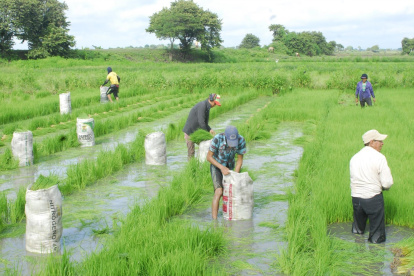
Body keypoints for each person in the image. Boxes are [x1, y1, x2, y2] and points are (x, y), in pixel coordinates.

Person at [350, 129, 393, 243]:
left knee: (358, 232)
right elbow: (387, 183)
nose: (382, 143)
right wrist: (384, 187)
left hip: (356, 199)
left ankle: (357, 254)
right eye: (380, 141)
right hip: (373, 198)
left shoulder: (354, 157)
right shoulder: (379, 157)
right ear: (372, 142)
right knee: (377, 237)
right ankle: (375, 257)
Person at [207, 125, 247, 220]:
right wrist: (221, 167)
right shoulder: (217, 139)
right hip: (217, 165)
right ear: (225, 136)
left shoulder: (241, 140)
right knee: (219, 191)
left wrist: (235, 175)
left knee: (229, 191)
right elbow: (209, 157)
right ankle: (215, 221)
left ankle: (227, 215)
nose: (231, 145)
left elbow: (239, 160)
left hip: (230, 166)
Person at [182, 93, 221, 160]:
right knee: (191, 152)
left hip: (197, 132)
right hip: (190, 132)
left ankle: (200, 163)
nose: (215, 105)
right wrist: (207, 134)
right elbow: (201, 122)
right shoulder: (202, 106)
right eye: (215, 103)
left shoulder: (207, 107)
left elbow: (205, 123)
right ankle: (191, 167)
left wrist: (210, 129)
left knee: (204, 147)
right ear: (211, 100)